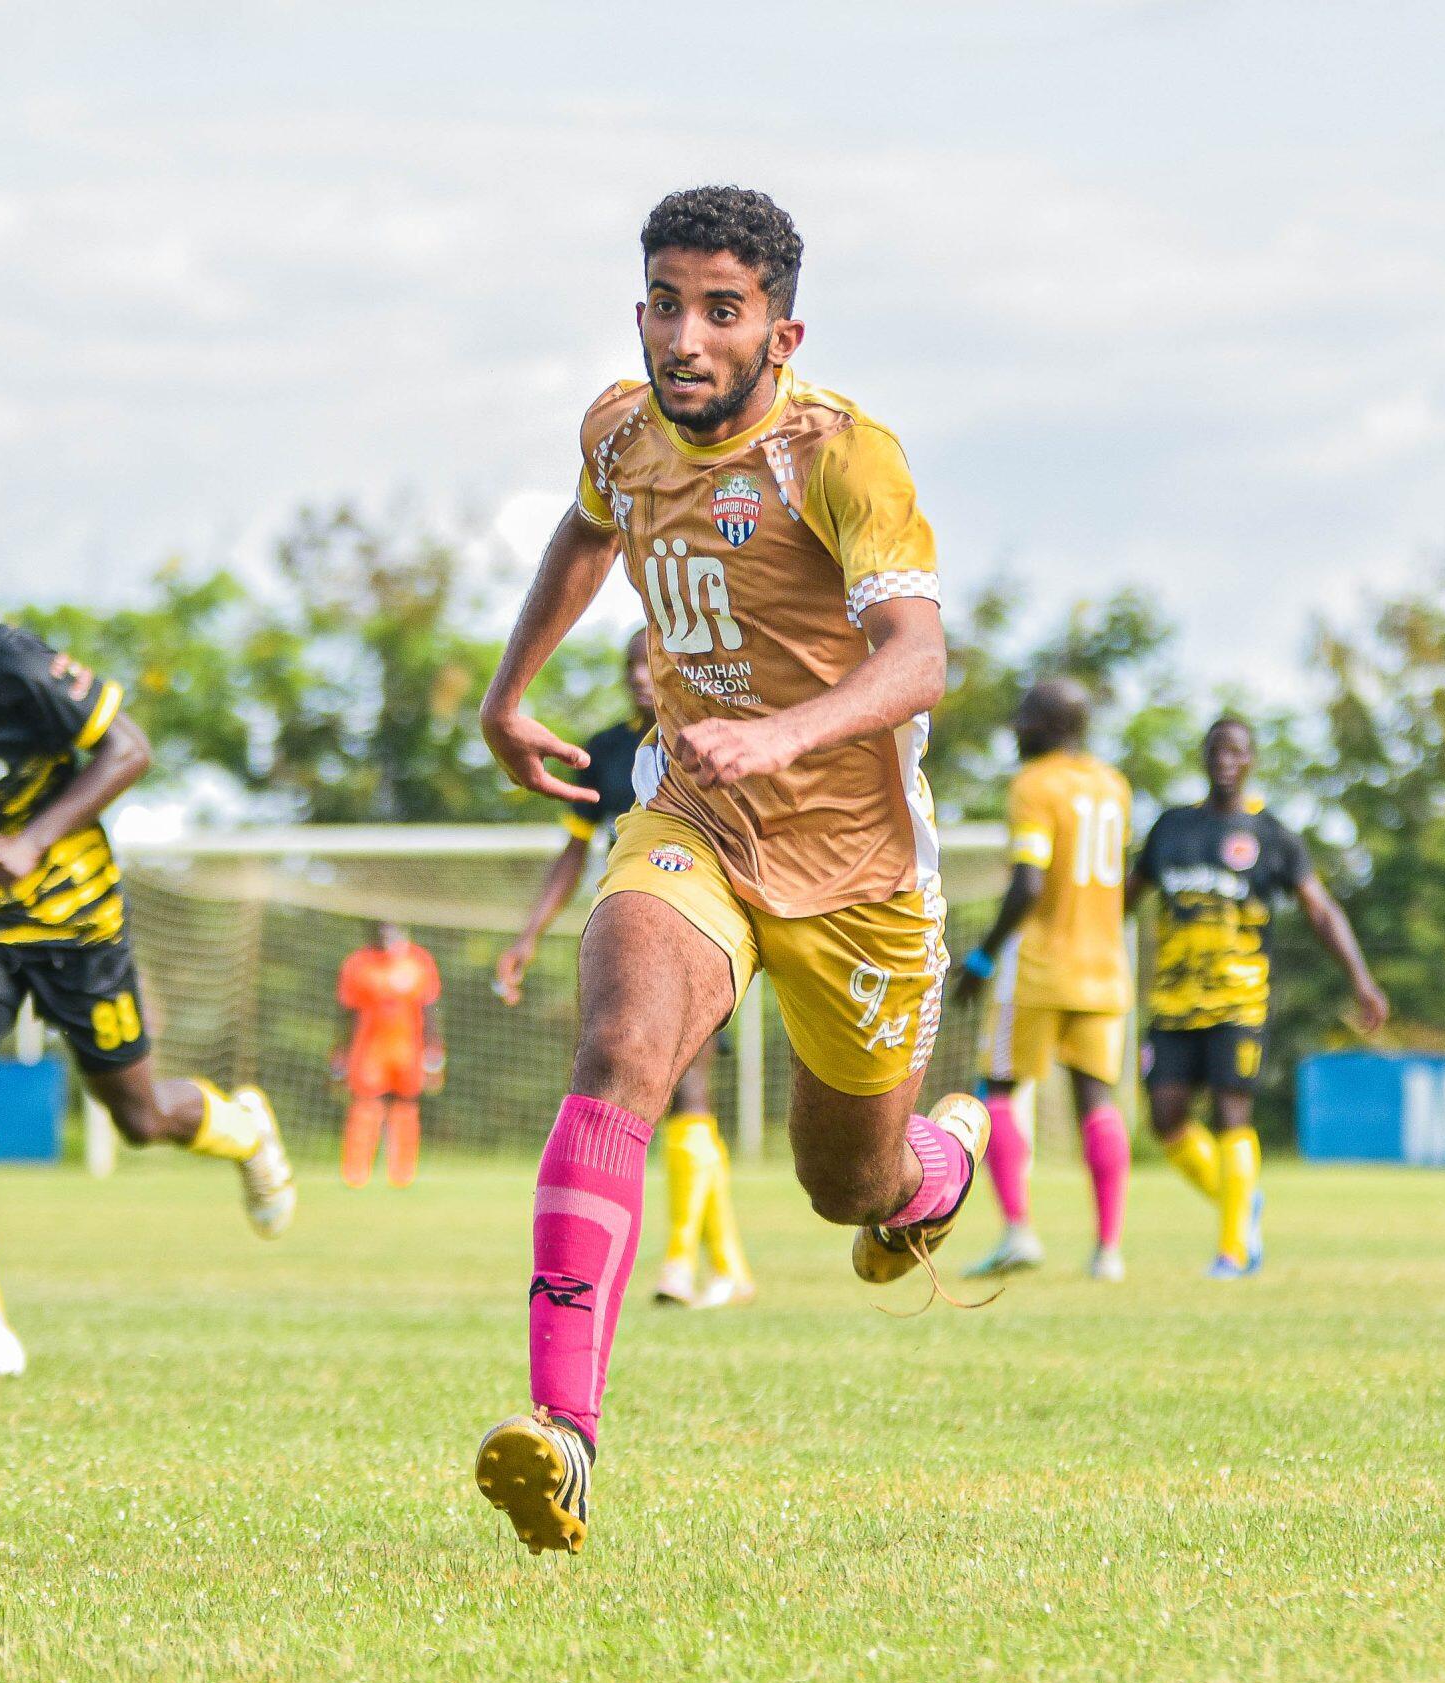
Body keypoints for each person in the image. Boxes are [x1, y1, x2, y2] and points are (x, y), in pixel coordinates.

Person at [472, 185, 982, 1555]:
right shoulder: (619, 432)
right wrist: (508, 691)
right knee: (620, 1047)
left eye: (719, 309)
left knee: (849, 1190)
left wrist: (791, 731)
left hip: (861, 871)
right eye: (661, 300)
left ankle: (945, 1165)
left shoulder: (842, 458)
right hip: (695, 817)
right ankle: (562, 1436)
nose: (682, 335)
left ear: (781, 329)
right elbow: (586, 534)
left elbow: (921, 659)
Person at [0, 507, 296, 1379]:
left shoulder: (1, 659)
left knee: (141, 1118)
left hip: (76, 919)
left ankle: (244, 1129)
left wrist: (32, 839)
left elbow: (128, 748)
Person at [494, 629, 753, 1309]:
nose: (641, 677)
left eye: (653, 664)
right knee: (666, 1105)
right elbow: (572, 854)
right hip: (632, 939)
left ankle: (676, 1267)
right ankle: (728, 1267)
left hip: (703, 934)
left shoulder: (717, 741)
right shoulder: (605, 754)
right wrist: (527, 936)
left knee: (689, 1100)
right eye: (631, 665)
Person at [1126, 716, 1388, 1277]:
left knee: (1231, 1115)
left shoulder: (1271, 837)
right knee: (1166, 1120)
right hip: (1172, 1003)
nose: (1225, 760)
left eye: (1236, 752)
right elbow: (1127, 898)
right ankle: (1241, 1201)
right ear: (1203, 757)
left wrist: (1360, 979)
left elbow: (1320, 909)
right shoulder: (1170, 829)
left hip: (1238, 1003)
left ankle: (1233, 1250)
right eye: (1216, 750)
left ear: (1251, 761)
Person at [949, 681, 1135, 1280]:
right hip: (1105, 969)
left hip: (1038, 967)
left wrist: (980, 958)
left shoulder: (1033, 786)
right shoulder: (1114, 786)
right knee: (1097, 1100)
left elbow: (1029, 884)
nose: (1014, 727)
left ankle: (1017, 1232)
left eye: (1023, 718)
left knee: (999, 1088)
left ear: (1051, 727)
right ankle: (1108, 1250)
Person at [333, 922, 444, 1188]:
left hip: (408, 1049)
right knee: (366, 1105)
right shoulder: (358, 963)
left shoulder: (419, 961)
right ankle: (356, 1174)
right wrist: (340, 1053)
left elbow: (430, 1011)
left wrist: (434, 1055)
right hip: (369, 1049)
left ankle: (402, 1175)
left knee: (405, 1107)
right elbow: (346, 1014)